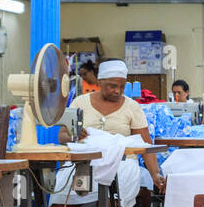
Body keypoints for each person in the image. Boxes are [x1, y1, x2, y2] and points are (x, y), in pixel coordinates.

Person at [60, 59, 164, 189]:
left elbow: (145, 144)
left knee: (115, 194)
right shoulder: (80, 103)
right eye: (112, 86)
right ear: (100, 81)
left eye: (122, 86)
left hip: (122, 163)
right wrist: (74, 136)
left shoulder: (132, 107)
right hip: (84, 162)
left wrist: (155, 174)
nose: (118, 91)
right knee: (64, 195)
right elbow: (62, 136)